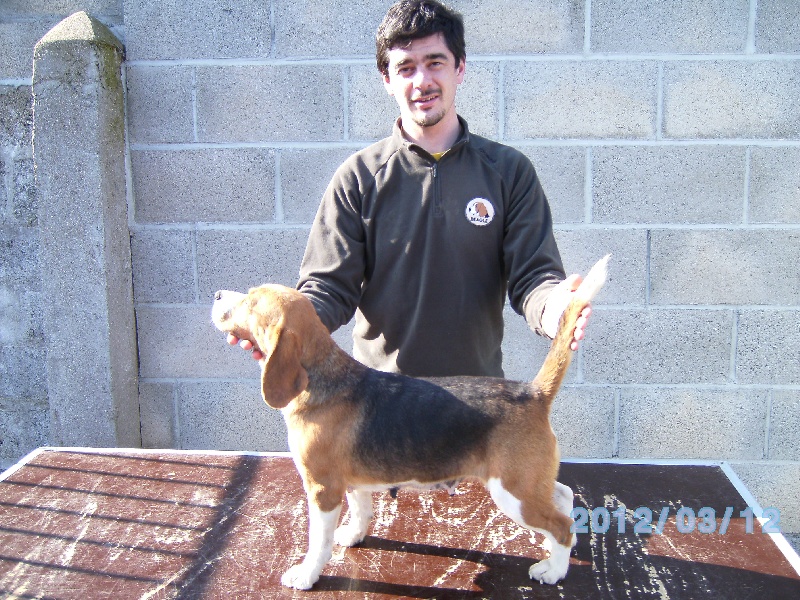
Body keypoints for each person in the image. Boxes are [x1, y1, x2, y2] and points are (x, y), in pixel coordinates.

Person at [229, 0, 591, 376]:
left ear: (460, 68)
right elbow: (328, 289)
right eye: (405, 68)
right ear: (387, 80)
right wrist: (282, 328)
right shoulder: (357, 178)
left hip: (478, 407)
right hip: (380, 406)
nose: (422, 81)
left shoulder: (509, 172)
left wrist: (555, 309)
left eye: (435, 62)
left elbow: (534, 278)